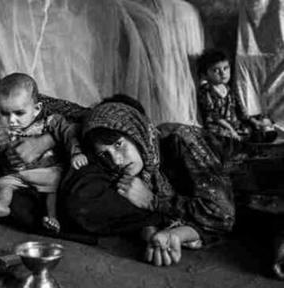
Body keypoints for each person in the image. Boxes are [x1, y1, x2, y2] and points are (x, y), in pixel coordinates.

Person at [80, 101, 235, 266]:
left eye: (119, 144)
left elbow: (221, 213)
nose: (116, 160)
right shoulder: (142, 170)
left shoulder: (179, 139)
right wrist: (165, 235)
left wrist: (153, 201)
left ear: (134, 132)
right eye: (105, 154)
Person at [0, 73, 87, 233]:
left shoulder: (49, 123)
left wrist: (76, 153)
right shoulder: (3, 130)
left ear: (36, 109)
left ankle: (52, 217)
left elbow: (70, 133)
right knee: (3, 183)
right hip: (20, 176)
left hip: (48, 172)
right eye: (5, 114)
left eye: (19, 113)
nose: (12, 120)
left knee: (54, 186)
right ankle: (2, 205)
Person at [196, 49, 275, 143]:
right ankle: (250, 138)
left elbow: (240, 109)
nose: (222, 73)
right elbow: (213, 116)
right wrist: (230, 129)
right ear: (205, 74)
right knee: (219, 135)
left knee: (260, 120)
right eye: (216, 70)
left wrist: (254, 121)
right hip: (219, 125)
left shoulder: (228, 89)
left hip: (234, 123)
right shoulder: (206, 90)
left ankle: (262, 132)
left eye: (225, 68)